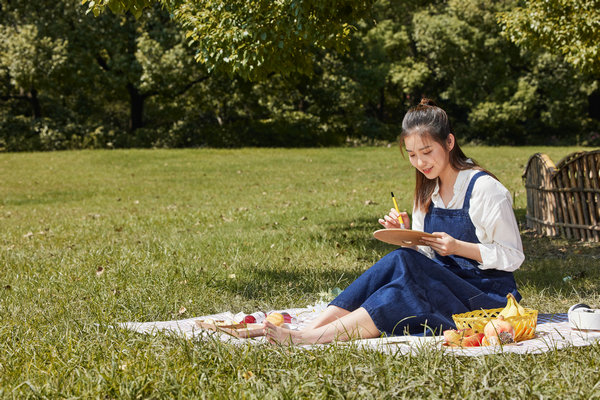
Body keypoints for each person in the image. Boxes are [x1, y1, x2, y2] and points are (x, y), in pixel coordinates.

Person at [265, 98, 524, 345]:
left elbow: (512, 256)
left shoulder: (485, 190)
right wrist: (406, 236)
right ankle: (310, 329)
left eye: (426, 151)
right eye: (412, 155)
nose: (420, 163)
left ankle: (308, 338)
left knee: (403, 293)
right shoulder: (427, 190)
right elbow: (423, 259)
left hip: (486, 301)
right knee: (401, 260)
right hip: (444, 287)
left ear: (449, 142)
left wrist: (458, 247)